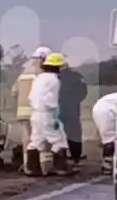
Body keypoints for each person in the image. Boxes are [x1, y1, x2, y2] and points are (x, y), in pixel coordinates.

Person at [27, 52, 71, 175]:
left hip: (35, 114)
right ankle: (60, 167)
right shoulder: (54, 80)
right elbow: (51, 100)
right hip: (48, 114)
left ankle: (33, 169)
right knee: (59, 140)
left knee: (37, 140)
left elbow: (31, 97)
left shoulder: (39, 78)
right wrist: (56, 117)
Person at [11, 46, 51, 175]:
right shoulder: (43, 73)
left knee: (26, 138)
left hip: (23, 110)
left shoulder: (24, 73)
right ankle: (44, 166)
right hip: (37, 110)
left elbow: (14, 91)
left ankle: (27, 165)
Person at [58, 61, 89, 164]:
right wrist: (75, 100)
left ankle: (62, 156)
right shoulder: (77, 76)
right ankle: (76, 156)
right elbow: (84, 92)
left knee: (60, 132)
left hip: (59, 108)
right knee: (75, 133)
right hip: (73, 108)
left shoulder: (55, 77)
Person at [92, 91, 117, 176]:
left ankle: (110, 163)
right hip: (106, 110)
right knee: (110, 140)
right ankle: (107, 165)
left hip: (102, 108)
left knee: (110, 138)